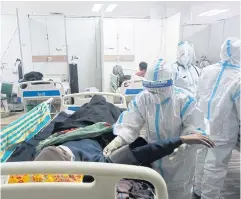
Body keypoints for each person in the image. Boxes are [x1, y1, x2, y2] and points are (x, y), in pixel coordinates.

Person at [103, 58, 210, 199]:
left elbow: (195, 128)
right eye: (152, 90)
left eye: (159, 90)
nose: (155, 94)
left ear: (170, 84)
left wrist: (183, 146)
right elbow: (130, 123)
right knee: (155, 190)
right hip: (154, 154)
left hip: (180, 160)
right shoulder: (143, 99)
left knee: (179, 191)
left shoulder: (184, 100)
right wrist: (118, 141)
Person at [193, 37, 241, 199]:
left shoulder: (207, 71)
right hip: (222, 129)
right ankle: (210, 196)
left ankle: (198, 189)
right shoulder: (238, 77)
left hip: (201, 124)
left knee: (200, 157)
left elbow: (198, 95)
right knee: (215, 166)